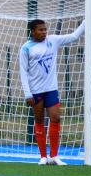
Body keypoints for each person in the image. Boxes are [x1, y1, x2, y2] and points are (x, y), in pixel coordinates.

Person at [19, 19, 85, 166]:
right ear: (33, 31)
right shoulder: (26, 48)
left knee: (55, 118)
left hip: (51, 89)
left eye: (45, 29)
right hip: (35, 91)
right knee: (40, 121)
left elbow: (74, 36)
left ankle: (54, 156)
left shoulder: (53, 40)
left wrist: (87, 20)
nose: (44, 32)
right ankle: (43, 156)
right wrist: (27, 94)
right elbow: (23, 72)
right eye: (40, 30)